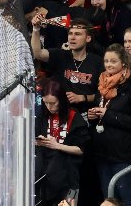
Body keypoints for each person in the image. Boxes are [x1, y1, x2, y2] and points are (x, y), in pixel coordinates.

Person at [88, 44, 131, 204]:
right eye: (106, 61)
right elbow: (101, 113)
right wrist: (92, 116)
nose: (108, 65)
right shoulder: (102, 85)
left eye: (113, 61)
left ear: (124, 63)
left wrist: (109, 115)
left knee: (128, 200)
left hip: (124, 156)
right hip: (102, 154)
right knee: (108, 200)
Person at [35, 77, 89, 205]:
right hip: (44, 174)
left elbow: (80, 150)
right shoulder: (42, 114)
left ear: (62, 100)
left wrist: (57, 145)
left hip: (69, 176)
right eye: (46, 103)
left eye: (53, 103)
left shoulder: (75, 118)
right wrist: (38, 142)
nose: (49, 107)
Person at [31, 15, 102, 110]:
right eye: (70, 33)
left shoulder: (98, 62)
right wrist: (36, 29)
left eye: (77, 34)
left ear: (88, 38)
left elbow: (103, 94)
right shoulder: (60, 55)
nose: (72, 37)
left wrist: (83, 98)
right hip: (60, 112)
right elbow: (37, 53)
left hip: (85, 114)